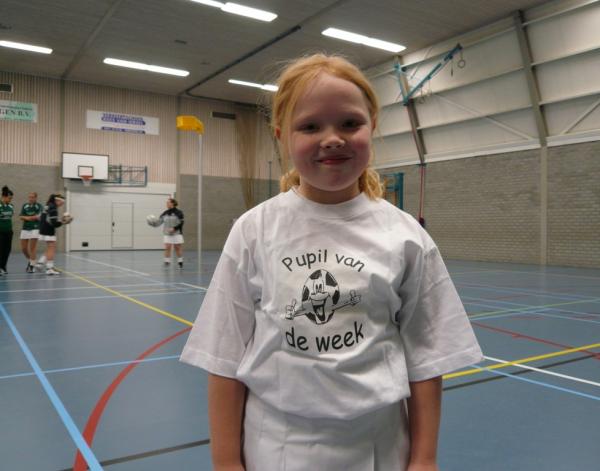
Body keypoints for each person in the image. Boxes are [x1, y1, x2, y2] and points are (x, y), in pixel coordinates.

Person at [180, 54, 483, 471]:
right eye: (310, 127)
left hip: (379, 447)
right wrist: (227, 463)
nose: (332, 139)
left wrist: (424, 458)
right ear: (282, 136)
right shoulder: (254, 230)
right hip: (276, 447)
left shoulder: (406, 236)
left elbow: (427, 356)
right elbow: (223, 358)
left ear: (372, 126)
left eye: (349, 123)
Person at [38, 193, 71, 275]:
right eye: (62, 202)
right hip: (48, 230)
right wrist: (64, 222)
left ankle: (40, 263)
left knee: (50, 247)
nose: (62, 204)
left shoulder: (48, 205)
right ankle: (49, 268)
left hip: (43, 228)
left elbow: (48, 219)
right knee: (52, 248)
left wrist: (61, 220)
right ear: (57, 200)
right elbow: (54, 224)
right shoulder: (53, 208)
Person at [19, 192, 43, 273]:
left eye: (32, 197)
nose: (31, 199)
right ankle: (32, 260)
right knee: (24, 249)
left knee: (32, 248)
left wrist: (27, 217)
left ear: (36, 198)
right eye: (29, 197)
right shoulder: (25, 205)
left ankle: (32, 266)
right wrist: (30, 218)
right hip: (25, 228)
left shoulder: (39, 206)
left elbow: (38, 217)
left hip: (35, 228)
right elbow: (21, 216)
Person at [158, 198, 184, 268]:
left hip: (177, 233)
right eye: (166, 203)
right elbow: (159, 221)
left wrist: (174, 228)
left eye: (168, 203)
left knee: (177, 247)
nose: (166, 204)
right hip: (167, 233)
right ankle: (167, 261)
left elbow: (181, 223)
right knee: (167, 247)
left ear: (173, 203)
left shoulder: (179, 212)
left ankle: (180, 261)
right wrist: (153, 223)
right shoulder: (165, 213)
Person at [0, 186, 15, 276]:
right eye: (9, 198)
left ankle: (3, 266)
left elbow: (10, 217)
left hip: (9, 231)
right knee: (1, 250)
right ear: (4, 197)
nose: (10, 200)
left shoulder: (11, 206)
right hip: (0, 232)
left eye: (11, 198)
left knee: (7, 250)